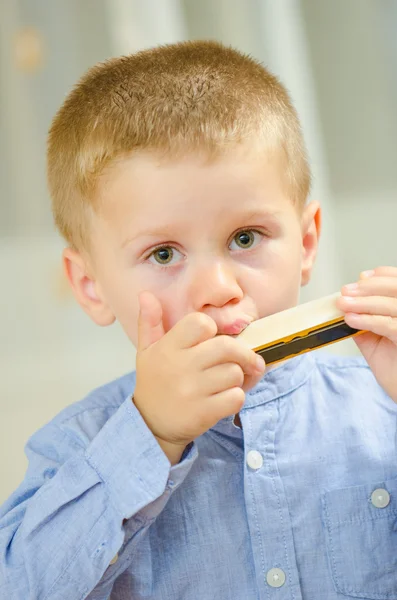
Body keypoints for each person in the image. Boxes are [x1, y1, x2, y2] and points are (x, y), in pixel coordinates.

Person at [1, 40, 396, 600]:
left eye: (245, 238)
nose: (217, 289)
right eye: (164, 254)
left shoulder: (383, 407)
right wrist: (149, 436)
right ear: (91, 285)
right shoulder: (79, 446)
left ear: (306, 242)